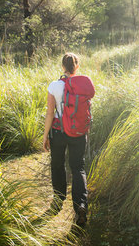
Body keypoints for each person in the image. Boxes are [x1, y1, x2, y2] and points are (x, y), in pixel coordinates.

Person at [42, 52, 89, 227]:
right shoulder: (84, 84)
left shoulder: (54, 85)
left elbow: (49, 113)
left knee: (57, 164)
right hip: (78, 132)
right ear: (77, 66)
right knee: (78, 168)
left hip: (58, 131)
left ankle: (58, 200)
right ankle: (81, 206)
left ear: (62, 66)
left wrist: (45, 135)